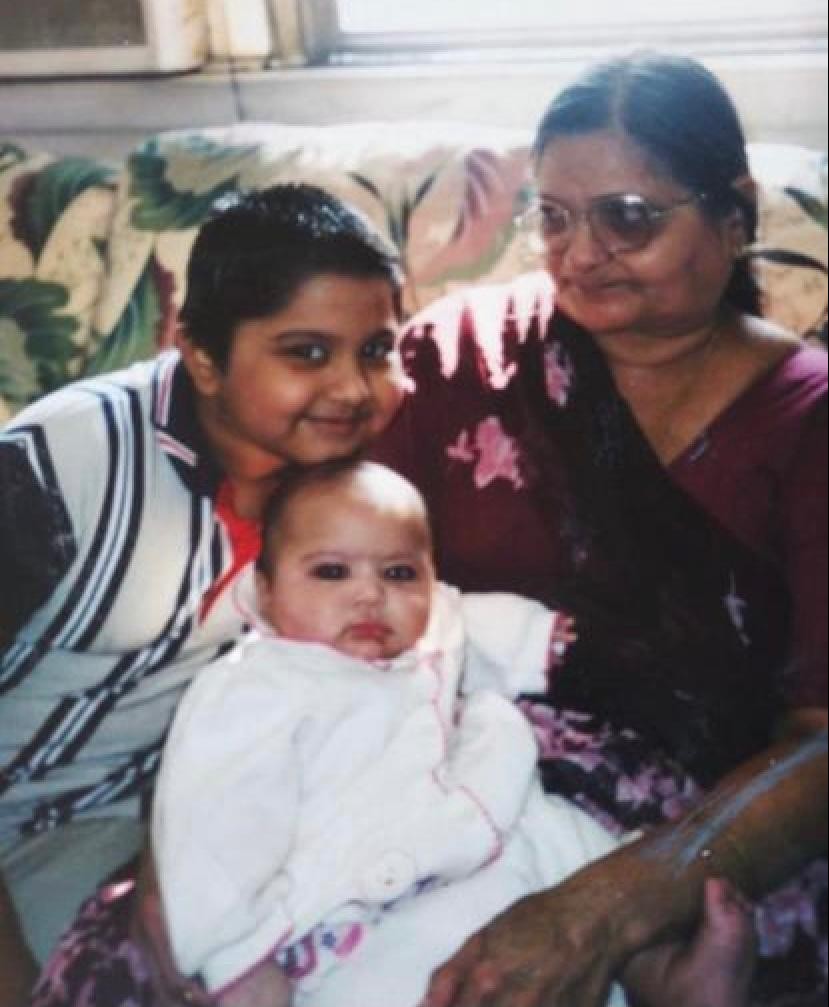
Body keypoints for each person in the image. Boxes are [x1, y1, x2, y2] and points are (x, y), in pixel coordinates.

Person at [368, 51, 828, 1007]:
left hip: (688, 840)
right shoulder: (456, 361)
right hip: (444, 786)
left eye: (627, 218)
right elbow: (337, 573)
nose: (578, 256)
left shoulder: (807, 424)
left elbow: (818, 736)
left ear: (733, 214)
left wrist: (607, 905)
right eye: (554, 217)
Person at [40, 459, 753, 1007]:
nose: (369, 592)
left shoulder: (433, 621)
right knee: (401, 981)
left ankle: (661, 970)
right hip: (353, 903)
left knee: (567, 839)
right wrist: (236, 960)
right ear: (264, 591)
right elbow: (211, 823)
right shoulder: (254, 689)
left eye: (398, 570)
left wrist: (544, 639)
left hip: (479, 828)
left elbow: (473, 618)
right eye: (330, 571)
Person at [0, 182, 407, 1007]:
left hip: (141, 823)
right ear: (204, 355)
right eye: (306, 352)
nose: (353, 389)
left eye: (374, 350)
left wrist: (166, 864)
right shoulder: (56, 472)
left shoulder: (353, 485)